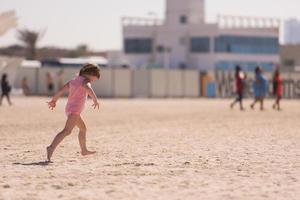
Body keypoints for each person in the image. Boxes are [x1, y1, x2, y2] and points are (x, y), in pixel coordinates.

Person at [46, 64, 101, 162]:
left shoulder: (73, 80)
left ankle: (84, 150)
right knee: (67, 131)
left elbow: (60, 91)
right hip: (75, 110)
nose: (93, 81)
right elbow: (88, 88)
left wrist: (54, 101)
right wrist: (95, 99)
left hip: (70, 109)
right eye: (94, 79)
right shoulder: (85, 81)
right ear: (90, 74)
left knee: (83, 129)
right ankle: (51, 147)